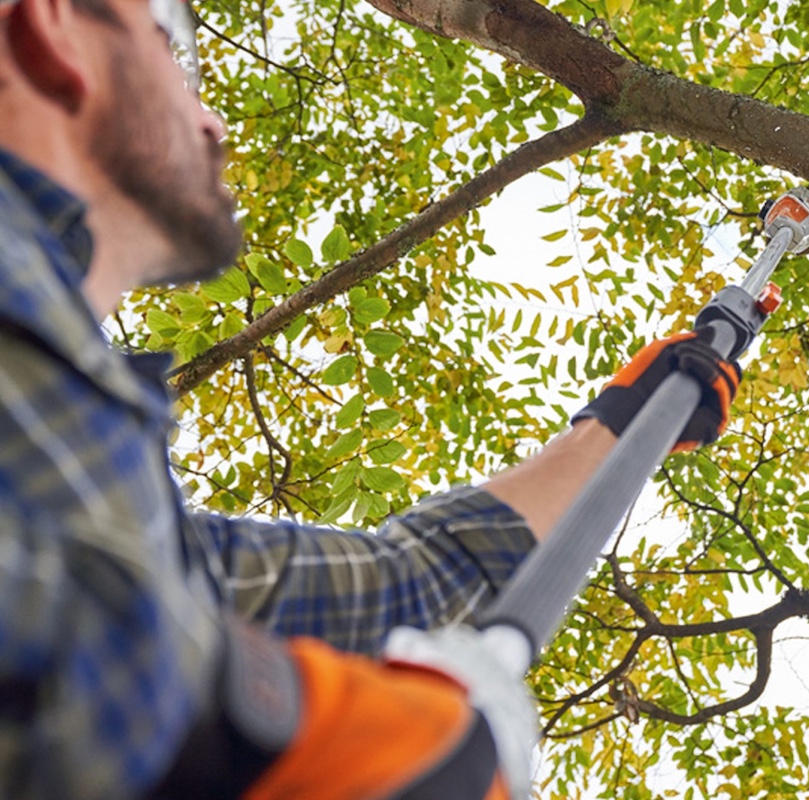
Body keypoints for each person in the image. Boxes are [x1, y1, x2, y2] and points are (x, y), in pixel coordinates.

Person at [0, 0, 741, 796]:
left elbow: (405, 586)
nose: (212, 122)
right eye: (170, 52)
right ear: (50, 25)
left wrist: (615, 428)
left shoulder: (130, 522)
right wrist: (304, 726)